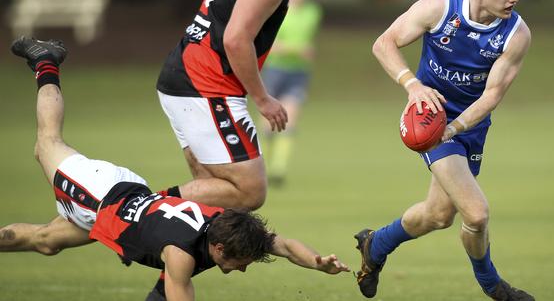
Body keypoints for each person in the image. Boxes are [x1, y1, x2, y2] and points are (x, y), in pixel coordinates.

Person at [1, 37, 349, 301]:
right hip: (100, 195)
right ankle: (46, 59)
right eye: (242, 262)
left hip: (126, 197)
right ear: (219, 250)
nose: (243, 269)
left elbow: (285, 246)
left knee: (45, 242)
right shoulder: (181, 254)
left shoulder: (228, 228)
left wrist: (318, 262)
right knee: (46, 143)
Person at [353, 0, 534, 301]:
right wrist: (413, 85)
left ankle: (375, 245)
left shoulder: (516, 34)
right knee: (477, 213)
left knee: (437, 215)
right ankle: (493, 286)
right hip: (430, 121)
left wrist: (456, 128)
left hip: (469, 125)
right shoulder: (438, 8)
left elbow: (491, 97)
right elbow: (383, 44)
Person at [155, 0, 303, 210]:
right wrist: (262, 99)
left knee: (216, 204)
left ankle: (199, 249)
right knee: (249, 191)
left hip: (185, 75)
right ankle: (136, 210)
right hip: (206, 86)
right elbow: (235, 39)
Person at [261, 0, 322, 186]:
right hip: (275, 70)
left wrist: (300, 50)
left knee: (290, 119)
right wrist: (298, 49)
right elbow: (272, 45)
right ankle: (262, 167)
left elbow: (305, 40)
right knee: (268, 123)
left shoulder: (313, 12)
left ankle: (278, 170)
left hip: (298, 72)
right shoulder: (276, 12)